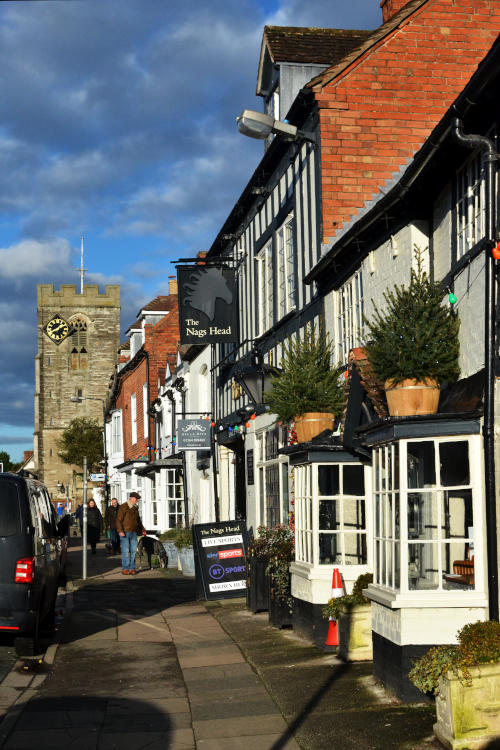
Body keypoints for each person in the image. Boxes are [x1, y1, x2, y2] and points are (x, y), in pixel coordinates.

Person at [116, 492, 147, 575]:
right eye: (136, 499)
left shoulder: (135, 508)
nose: (137, 501)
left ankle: (132, 568)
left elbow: (138, 521)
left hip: (134, 532)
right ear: (132, 498)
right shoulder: (123, 507)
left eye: (137, 500)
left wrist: (143, 529)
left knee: (133, 551)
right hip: (125, 532)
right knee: (125, 551)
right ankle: (125, 568)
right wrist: (120, 531)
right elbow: (118, 520)